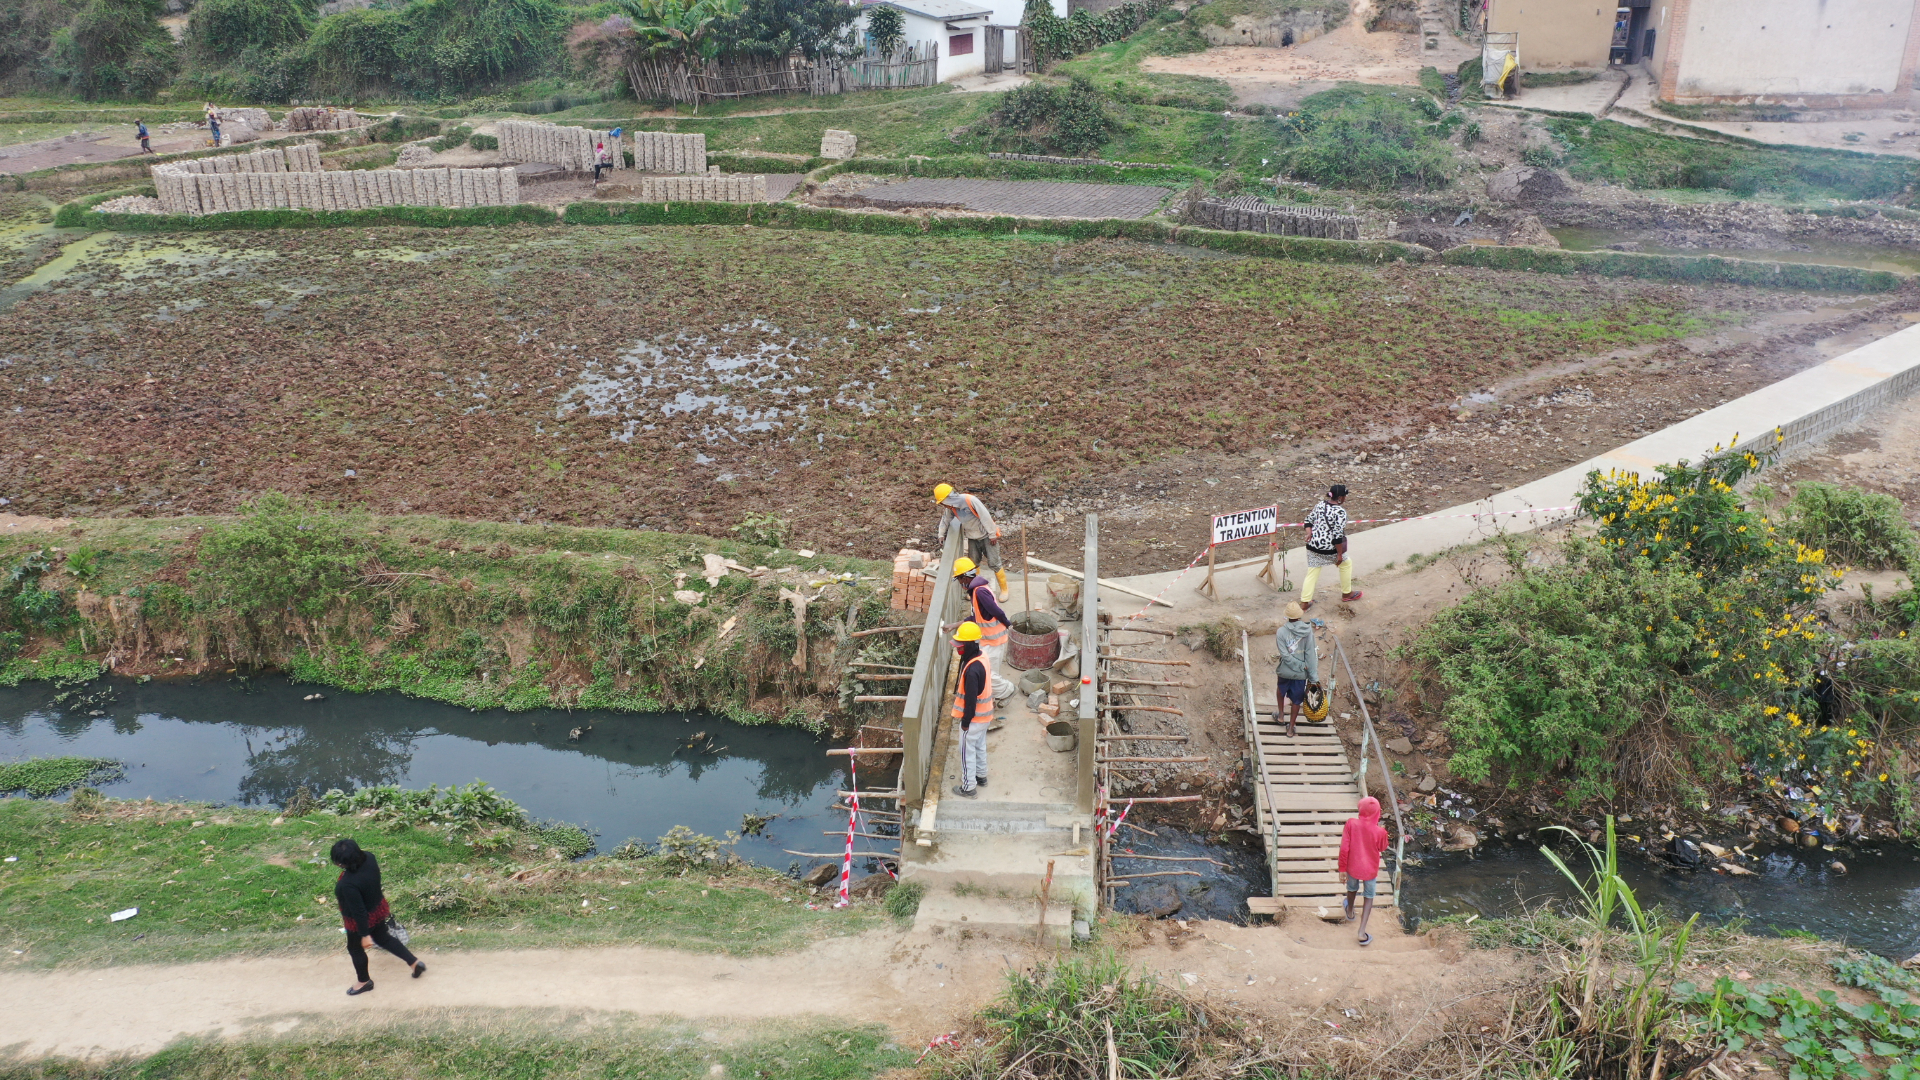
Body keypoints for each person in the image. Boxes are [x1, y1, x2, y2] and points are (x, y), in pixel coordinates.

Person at [331, 837, 425, 995]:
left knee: (354, 948)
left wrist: (365, 935)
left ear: (342, 863)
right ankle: (414, 963)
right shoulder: (369, 857)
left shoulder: (347, 884)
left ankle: (364, 981)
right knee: (384, 938)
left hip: (359, 921)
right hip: (377, 908)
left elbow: (358, 911)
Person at [944, 556, 1016, 716]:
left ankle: (1008, 690)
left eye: (959, 579)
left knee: (986, 673)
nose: (960, 583)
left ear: (965, 577)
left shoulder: (980, 592)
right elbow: (976, 617)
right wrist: (954, 625)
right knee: (988, 673)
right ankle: (992, 699)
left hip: (993, 640)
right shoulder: (976, 590)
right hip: (987, 640)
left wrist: (1008, 624)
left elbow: (996, 611)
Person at [933, 484, 1009, 597]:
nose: (944, 505)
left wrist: (992, 534)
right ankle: (975, 590)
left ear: (949, 498)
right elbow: (945, 520)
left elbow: (985, 516)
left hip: (987, 536)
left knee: (994, 563)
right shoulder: (951, 508)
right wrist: (941, 534)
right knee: (973, 564)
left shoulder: (970, 500)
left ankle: (1004, 590)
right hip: (972, 538)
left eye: (943, 502)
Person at [1299, 484, 1362, 612]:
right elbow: (1337, 536)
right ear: (1339, 498)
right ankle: (1346, 594)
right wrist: (1339, 554)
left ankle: (1305, 603)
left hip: (1313, 546)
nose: (1345, 498)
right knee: (1346, 564)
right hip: (1329, 548)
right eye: (1344, 496)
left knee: (1312, 572)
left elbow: (1308, 521)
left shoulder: (1320, 505)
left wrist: (1308, 533)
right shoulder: (1340, 512)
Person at [1337, 795, 1390, 946]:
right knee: (1369, 896)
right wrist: (1381, 834)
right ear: (1378, 813)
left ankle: (1350, 911)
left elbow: (1344, 848)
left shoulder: (1351, 824)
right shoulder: (1380, 832)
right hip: (1370, 870)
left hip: (1352, 867)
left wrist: (1342, 869)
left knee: (1352, 888)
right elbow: (1382, 847)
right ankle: (1361, 932)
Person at [948, 622, 990, 799]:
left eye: (961, 645)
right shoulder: (982, 656)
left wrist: (965, 722)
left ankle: (968, 787)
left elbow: (971, 700)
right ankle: (981, 776)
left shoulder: (972, 670)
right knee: (980, 746)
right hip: (985, 716)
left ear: (970, 644)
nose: (958, 649)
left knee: (966, 753)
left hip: (973, 720)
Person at [1274, 601, 1319, 738]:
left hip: (1285, 671)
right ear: (1300, 615)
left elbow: (1285, 655)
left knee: (1281, 690)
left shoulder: (1281, 632)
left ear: (1287, 616)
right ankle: (1291, 728)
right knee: (1297, 700)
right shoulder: (1307, 632)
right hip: (1301, 674)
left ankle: (1281, 715)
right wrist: (1313, 677)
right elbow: (1310, 655)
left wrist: (1295, 665)